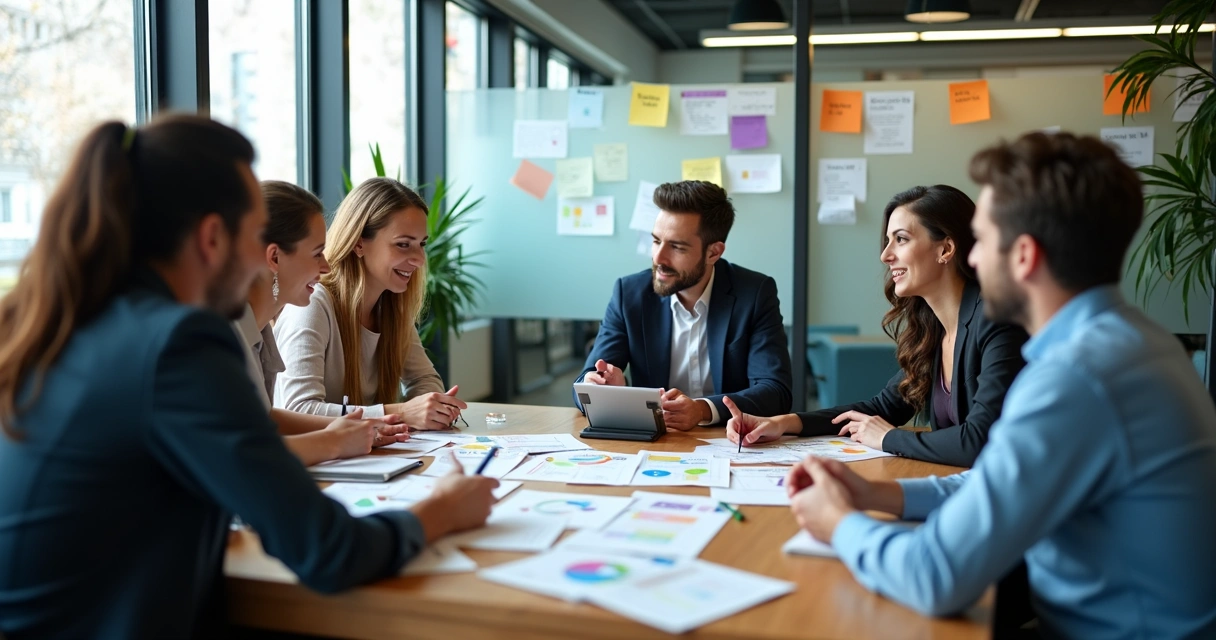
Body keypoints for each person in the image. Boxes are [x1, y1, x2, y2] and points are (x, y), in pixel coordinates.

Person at [0, 116, 498, 639]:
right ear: (215, 238)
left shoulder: (68, 323)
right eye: (256, 235)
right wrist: (441, 511)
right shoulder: (178, 343)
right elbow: (327, 550)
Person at [782, 132, 1216, 638]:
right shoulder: (1133, 341)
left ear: (1024, 256)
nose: (973, 259)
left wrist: (837, 523)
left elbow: (934, 576)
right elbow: (998, 478)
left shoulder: (1076, 377)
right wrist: (879, 495)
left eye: (982, 241)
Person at [725, 185, 1027, 467]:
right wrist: (785, 423)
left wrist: (888, 438)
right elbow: (883, 407)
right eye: (888, 241)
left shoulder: (996, 322)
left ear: (945, 249)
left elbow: (982, 440)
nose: (885, 255)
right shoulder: (934, 329)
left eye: (902, 239)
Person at [574, 180, 792, 430]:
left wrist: (702, 409)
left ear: (713, 253)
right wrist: (597, 387)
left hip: (728, 440)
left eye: (676, 247)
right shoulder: (630, 294)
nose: (658, 258)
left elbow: (776, 392)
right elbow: (585, 381)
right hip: (655, 444)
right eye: (656, 241)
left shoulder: (753, 294)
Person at [232, 180, 411, 466]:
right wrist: (334, 440)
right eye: (317, 253)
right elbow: (243, 454)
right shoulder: (224, 337)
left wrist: (358, 428)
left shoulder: (258, 329)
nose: (327, 266)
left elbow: (264, 418)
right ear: (274, 257)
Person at [275, 177, 467, 430]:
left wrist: (432, 408)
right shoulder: (312, 303)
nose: (420, 259)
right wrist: (401, 412)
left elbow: (423, 378)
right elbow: (299, 409)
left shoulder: (391, 306)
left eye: (421, 244)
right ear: (358, 243)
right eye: (403, 245)